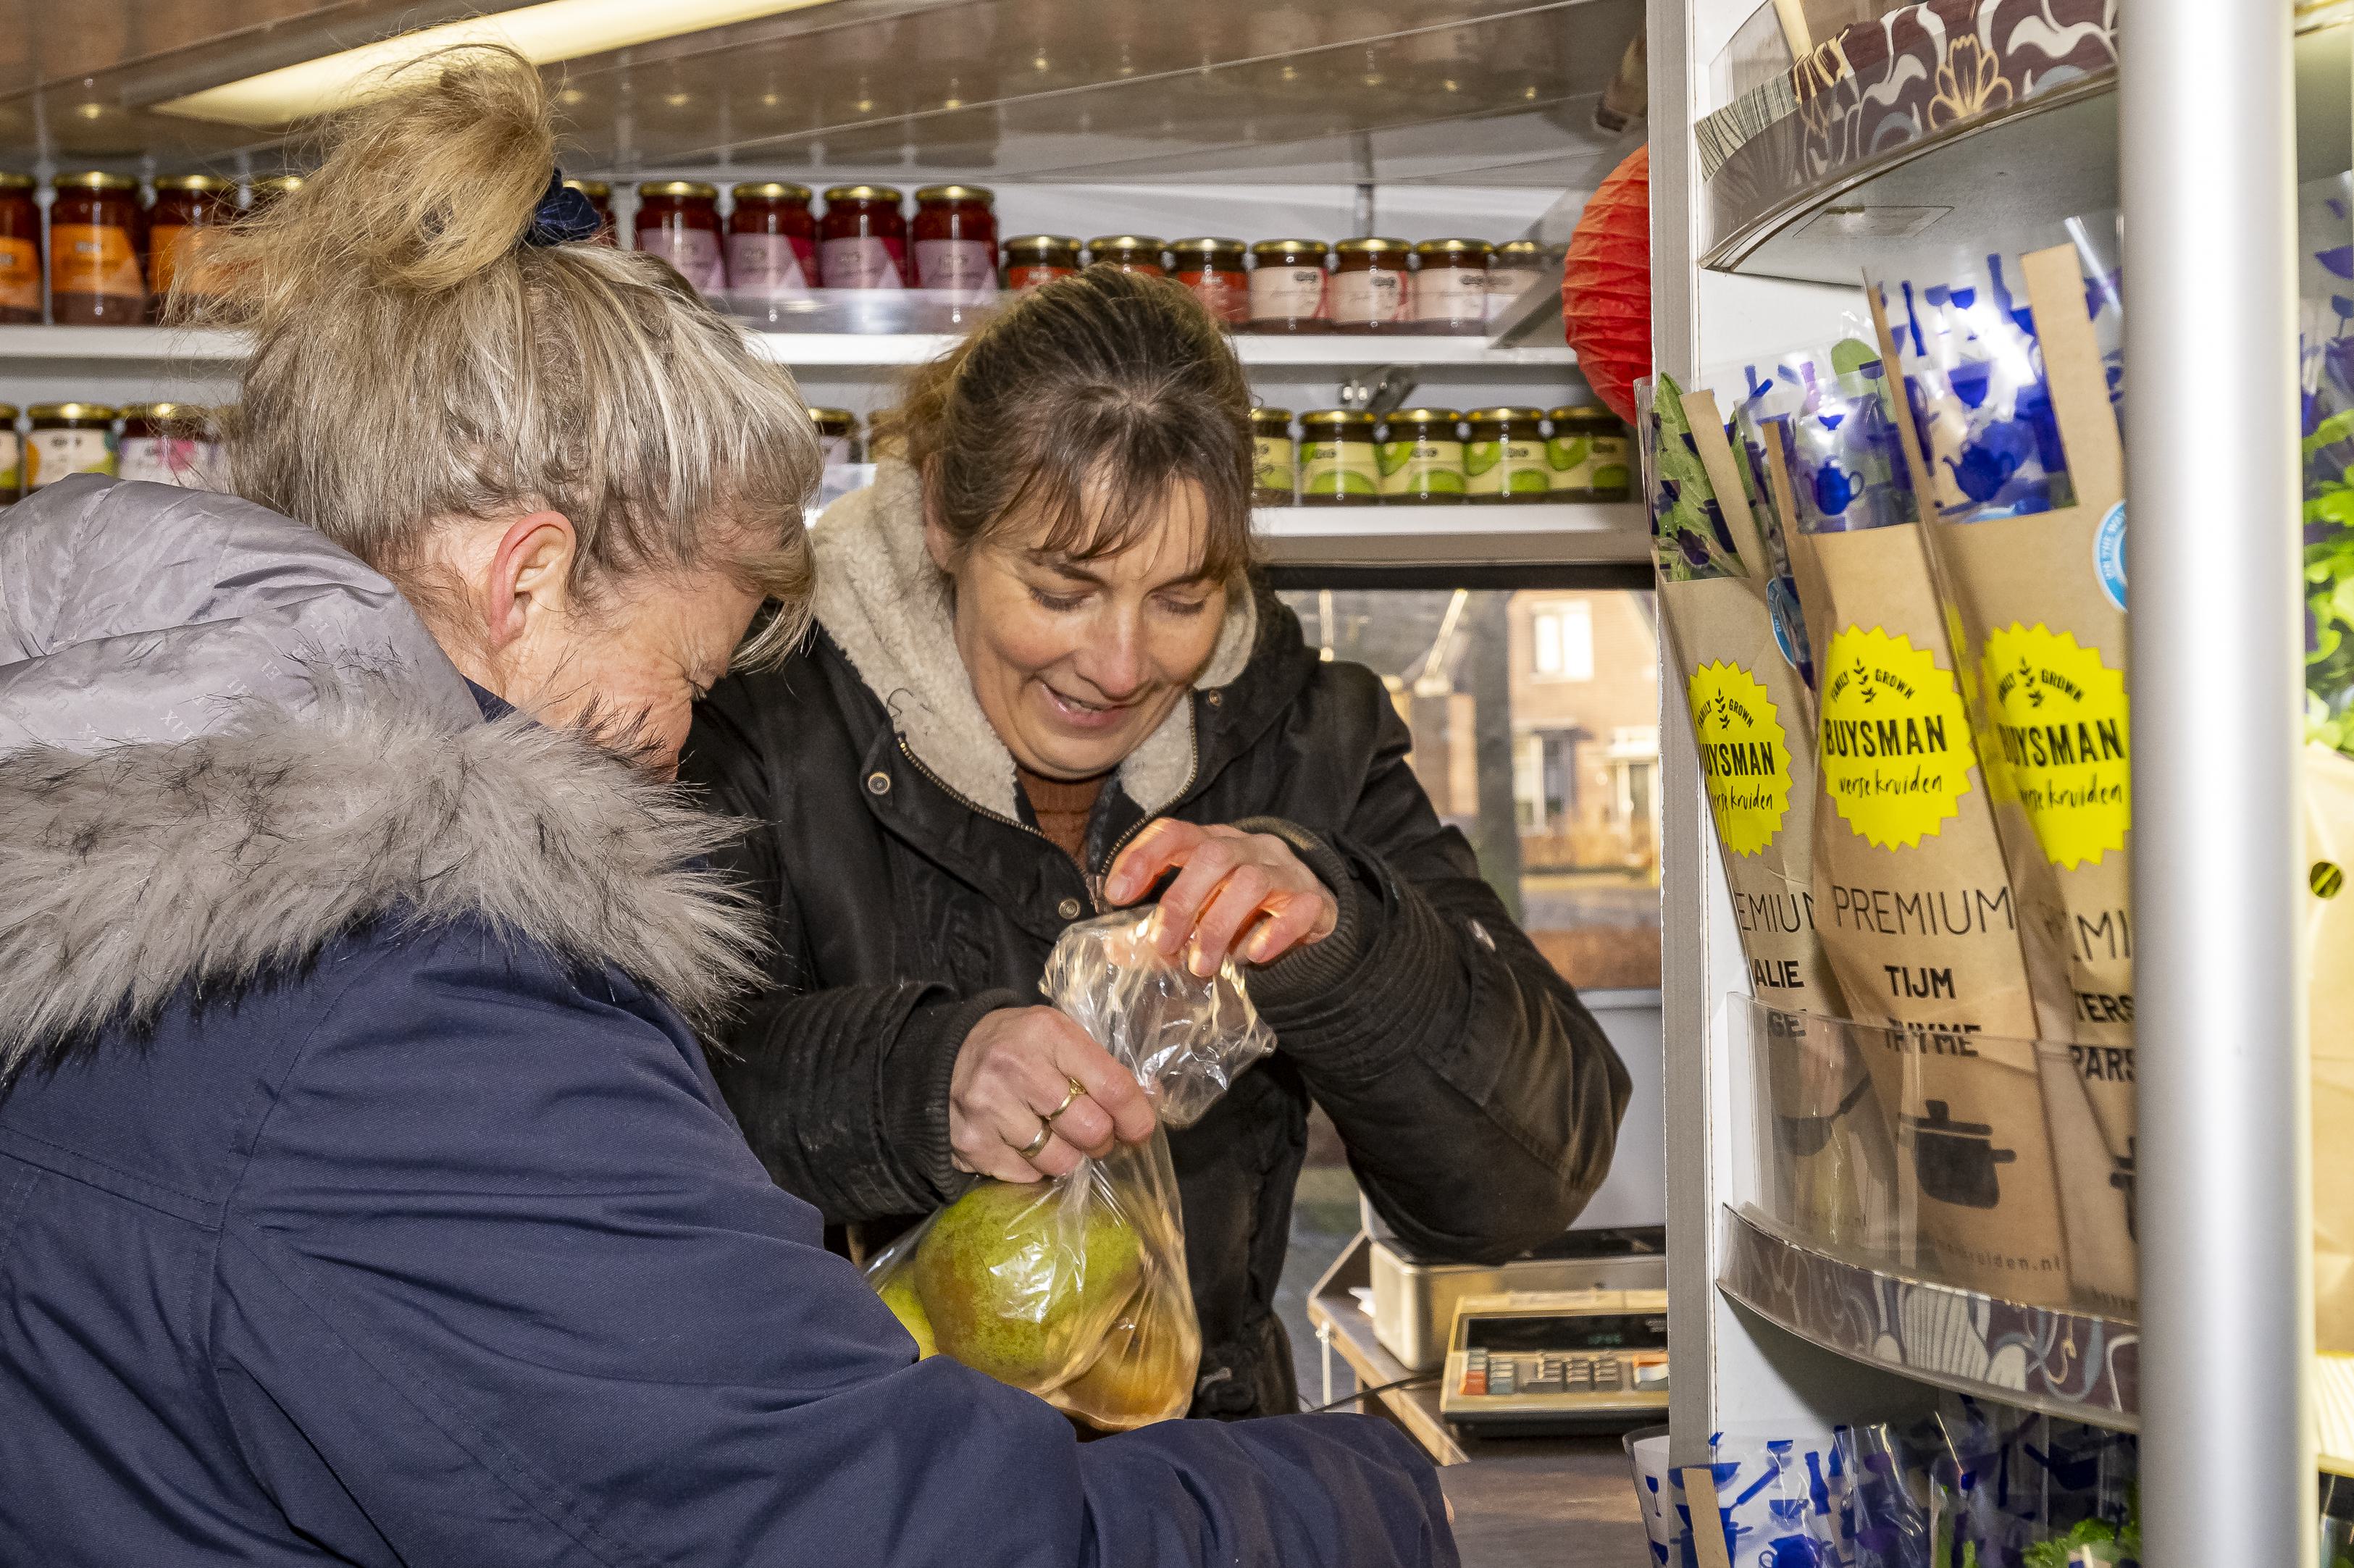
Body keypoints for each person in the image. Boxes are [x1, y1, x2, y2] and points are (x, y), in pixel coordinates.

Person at [0, 49, 1458, 1567]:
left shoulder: (103, 846)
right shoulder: (416, 1019)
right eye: (684, 667)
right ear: (524, 581)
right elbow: (869, 1536)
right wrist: (1371, 1495)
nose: (677, 737)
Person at [682, 267, 1635, 1419]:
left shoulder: (1306, 735)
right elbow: (644, 1113)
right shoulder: (757, 717)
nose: (1120, 664)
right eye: (1063, 588)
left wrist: (1340, 944)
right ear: (943, 516)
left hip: (1198, 1473)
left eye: (1181, 598)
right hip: (869, 1466)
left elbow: (1527, 1179)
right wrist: (920, 1075)